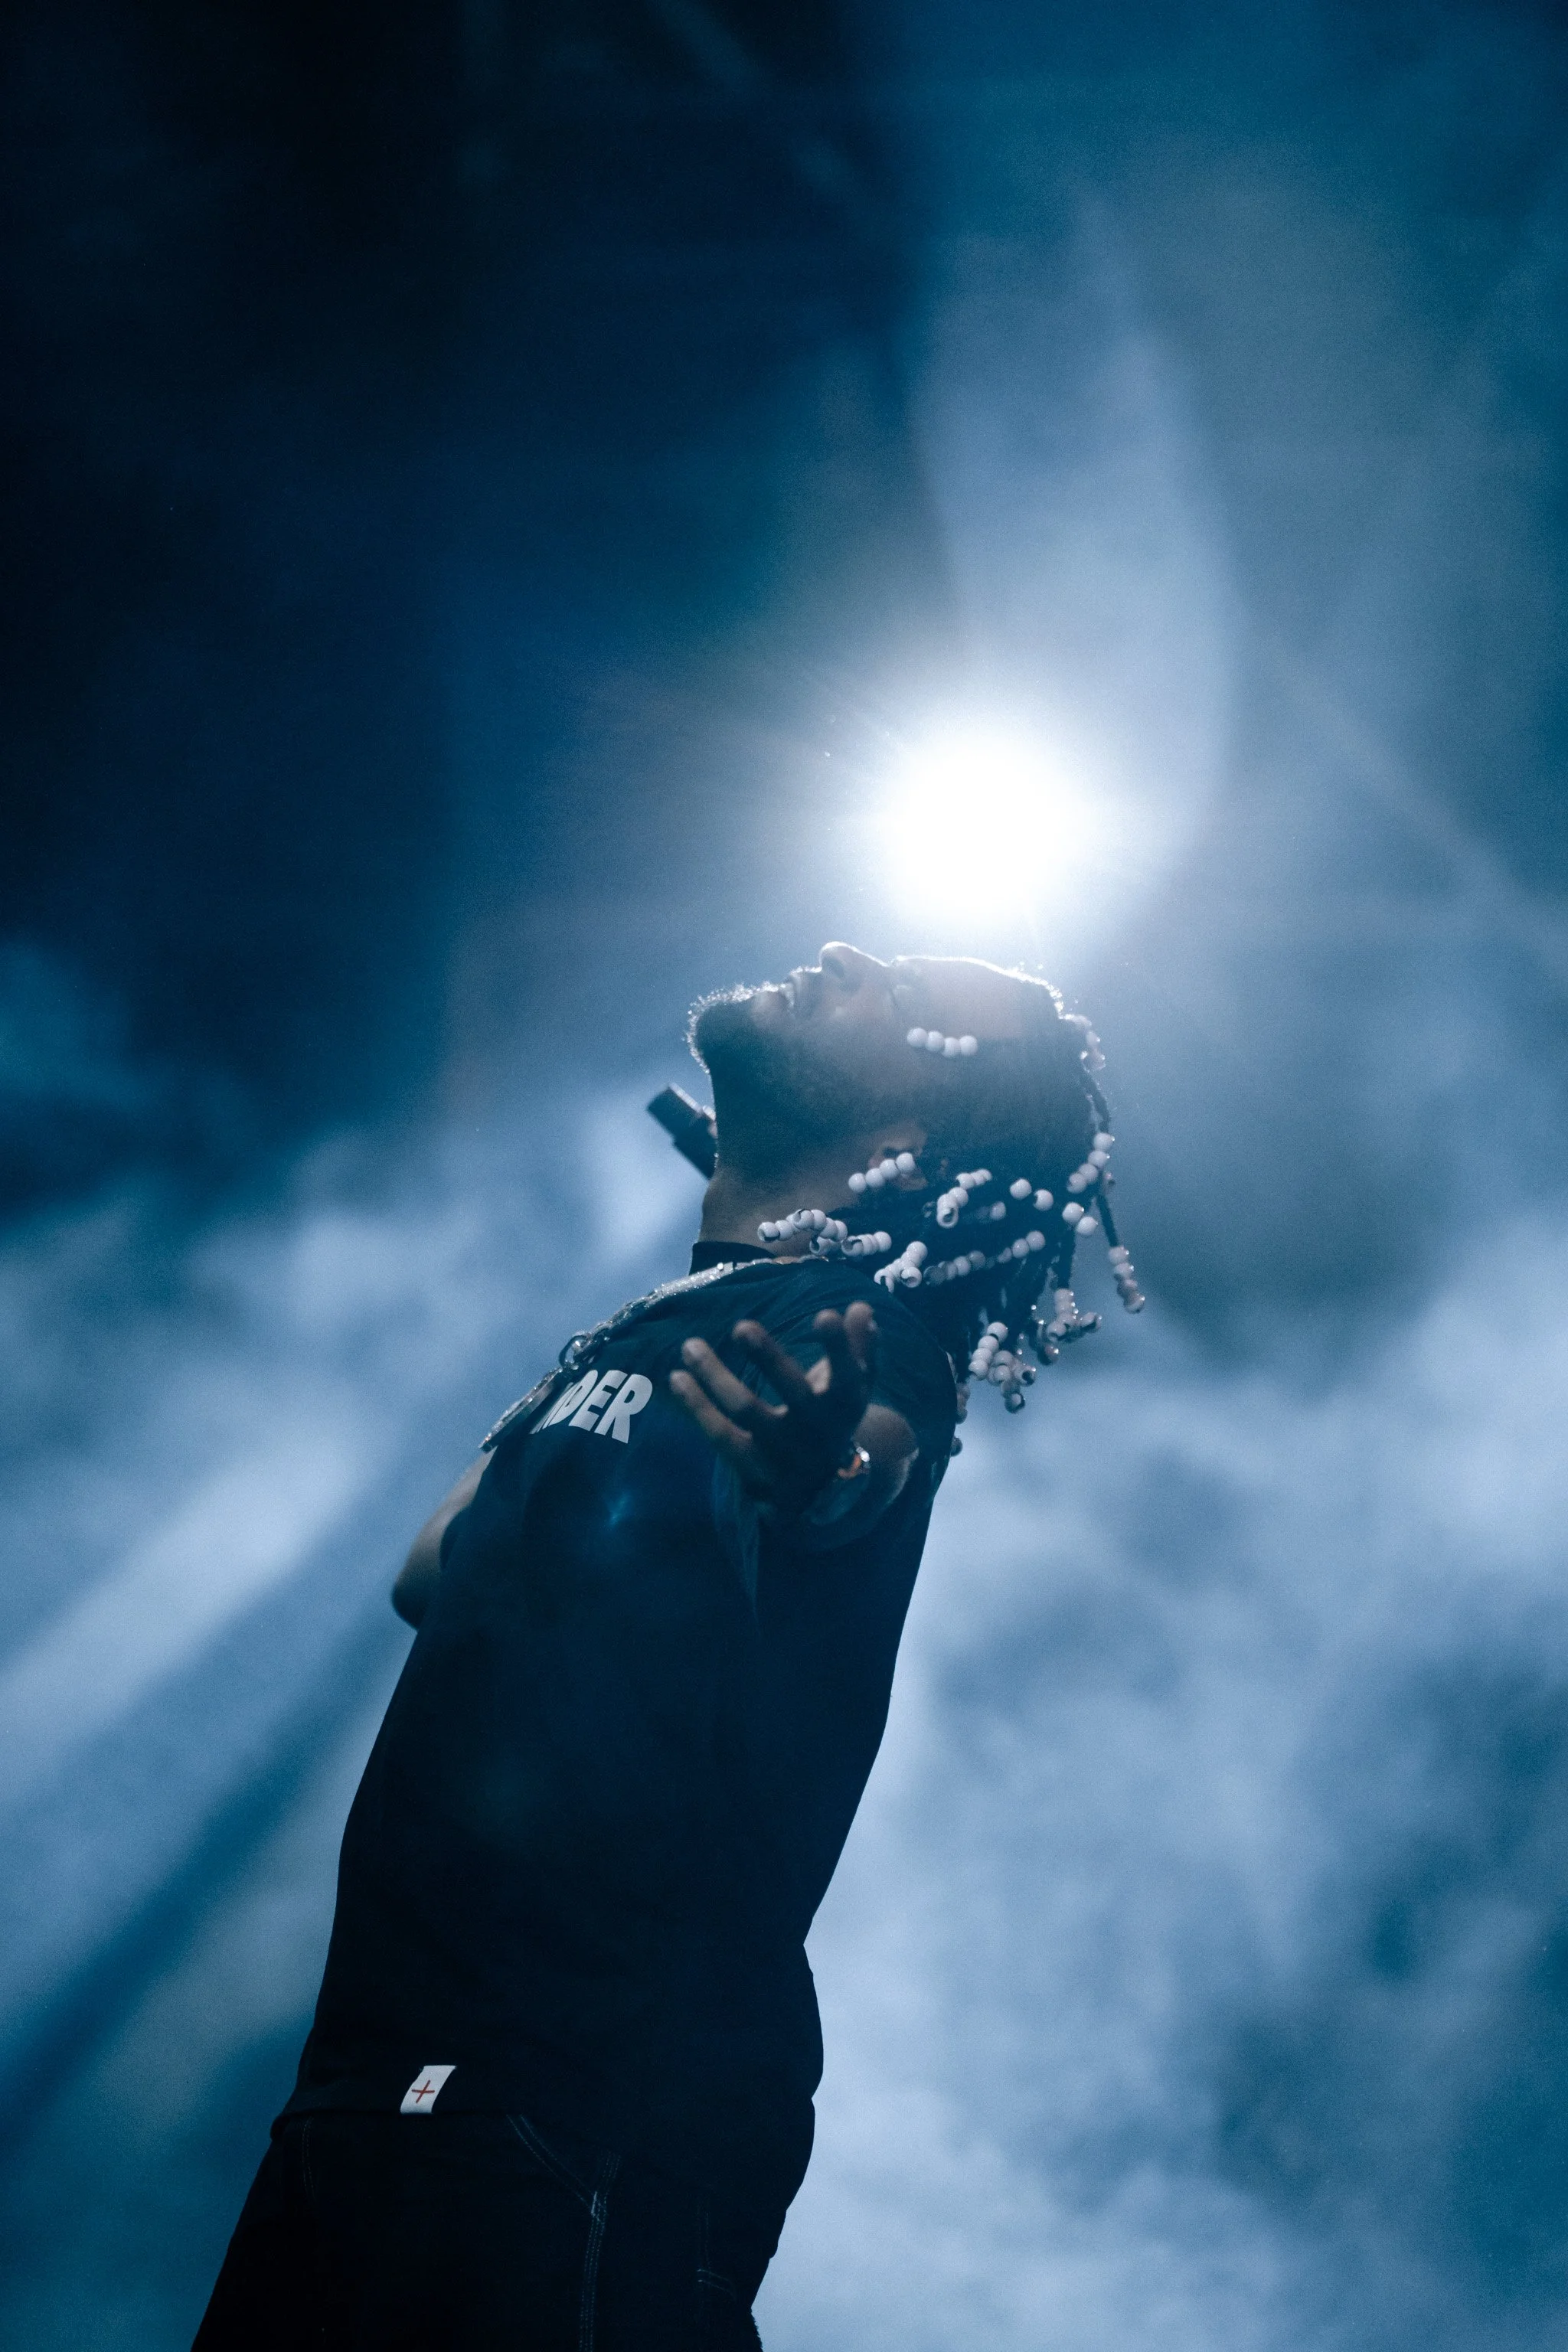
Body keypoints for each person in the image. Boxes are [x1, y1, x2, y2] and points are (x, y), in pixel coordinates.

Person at [194, 941, 1142, 2350]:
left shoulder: (856, 1342)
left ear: (900, 1141)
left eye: (910, 997)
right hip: (368, 2095)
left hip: (583, 2122)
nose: (845, 953)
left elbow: (858, 1464)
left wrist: (811, 1470)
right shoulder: (660, 1330)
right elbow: (425, 1576)